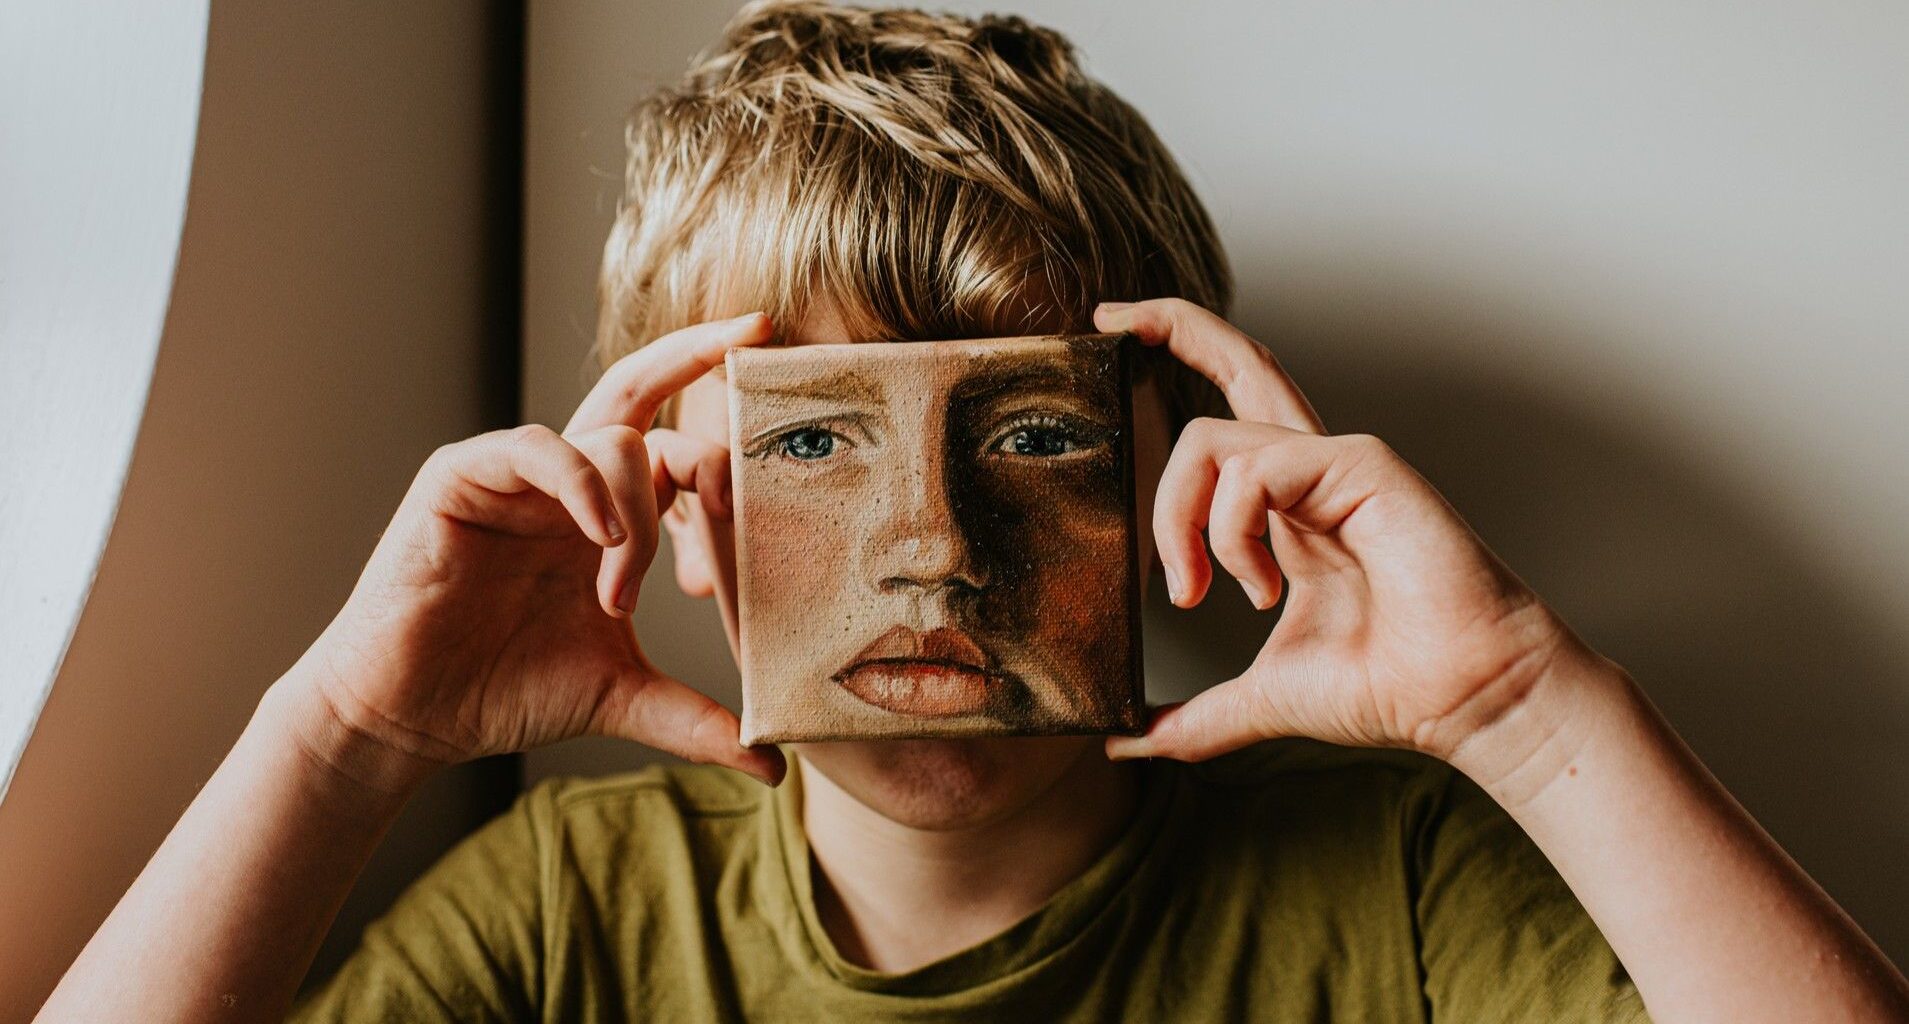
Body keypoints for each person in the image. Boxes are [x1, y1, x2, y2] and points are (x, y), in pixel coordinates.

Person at [36, 3, 1909, 1021]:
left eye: (1023, 436)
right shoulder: (565, 916)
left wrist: (1523, 710)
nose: (931, 550)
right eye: (807, 444)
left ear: (1174, 470)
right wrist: (344, 734)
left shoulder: (1400, 883)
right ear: (672, 507)